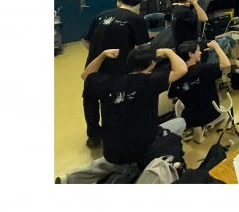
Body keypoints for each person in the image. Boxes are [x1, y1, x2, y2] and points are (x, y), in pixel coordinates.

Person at [57, 45, 188, 184]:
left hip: (111, 150)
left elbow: (86, 76)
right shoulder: (151, 81)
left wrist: (103, 54)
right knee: (180, 123)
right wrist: (168, 51)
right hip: (140, 151)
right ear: (152, 63)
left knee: (112, 161)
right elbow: (182, 69)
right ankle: (132, 171)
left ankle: (68, 179)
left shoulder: (109, 82)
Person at [81, 0, 150, 148]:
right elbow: (143, 47)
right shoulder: (136, 19)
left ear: (119, 0)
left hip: (93, 67)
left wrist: (98, 53)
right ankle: (112, 135)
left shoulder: (100, 15)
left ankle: (93, 136)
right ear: (137, 4)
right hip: (118, 69)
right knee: (113, 101)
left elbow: (85, 40)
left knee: (90, 100)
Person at [168, 39, 232, 143]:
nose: (201, 52)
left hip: (190, 117)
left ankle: (196, 127)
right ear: (190, 54)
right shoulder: (205, 69)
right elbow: (226, 64)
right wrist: (216, 46)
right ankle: (206, 125)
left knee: (182, 103)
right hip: (211, 113)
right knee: (224, 111)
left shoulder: (176, 77)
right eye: (198, 50)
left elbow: (171, 96)